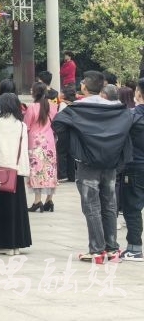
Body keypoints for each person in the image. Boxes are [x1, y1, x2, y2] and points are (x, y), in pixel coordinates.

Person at [52, 69, 134, 262]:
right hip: (110, 162)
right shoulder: (117, 109)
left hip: (87, 163)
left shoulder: (76, 109)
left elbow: (58, 125)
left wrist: (75, 143)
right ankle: (112, 249)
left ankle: (97, 250)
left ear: (84, 87)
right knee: (109, 205)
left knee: (91, 206)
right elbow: (128, 123)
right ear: (102, 86)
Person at [0, 93, 31, 254]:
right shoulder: (22, 125)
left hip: (0, 172)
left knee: (0, 209)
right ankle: (16, 244)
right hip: (17, 171)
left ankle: (4, 244)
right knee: (17, 209)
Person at [24, 81, 58, 212]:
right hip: (49, 141)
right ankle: (49, 200)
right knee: (50, 170)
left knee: (36, 170)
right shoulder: (52, 106)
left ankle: (37, 200)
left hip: (35, 141)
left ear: (35, 92)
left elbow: (26, 125)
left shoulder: (32, 107)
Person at [122, 79, 144, 261]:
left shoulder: (131, 116)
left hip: (135, 166)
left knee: (132, 207)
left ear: (138, 93)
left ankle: (135, 248)